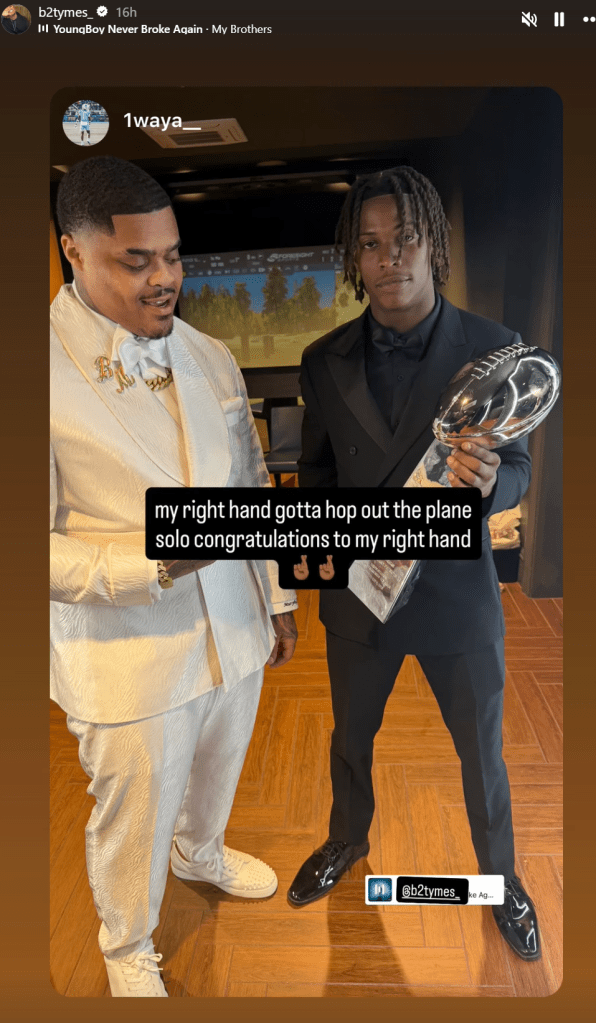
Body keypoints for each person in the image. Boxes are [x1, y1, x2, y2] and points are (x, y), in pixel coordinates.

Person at [50, 156, 298, 997]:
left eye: (173, 255)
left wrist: (276, 595)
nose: (165, 279)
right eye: (137, 260)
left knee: (220, 763)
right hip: (125, 650)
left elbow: (251, 480)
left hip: (233, 623)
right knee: (135, 809)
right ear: (74, 252)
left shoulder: (209, 353)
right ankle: (126, 942)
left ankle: (201, 850)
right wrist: (151, 563)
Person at [288, 166, 541, 962]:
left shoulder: (494, 347)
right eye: (370, 244)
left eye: (404, 239)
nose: (388, 257)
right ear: (354, 259)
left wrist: (494, 482)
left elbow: (521, 468)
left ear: (433, 244)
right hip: (361, 597)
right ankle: (346, 840)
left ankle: (501, 878)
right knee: (350, 738)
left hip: (457, 598)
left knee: (482, 753)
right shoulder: (322, 358)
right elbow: (317, 475)